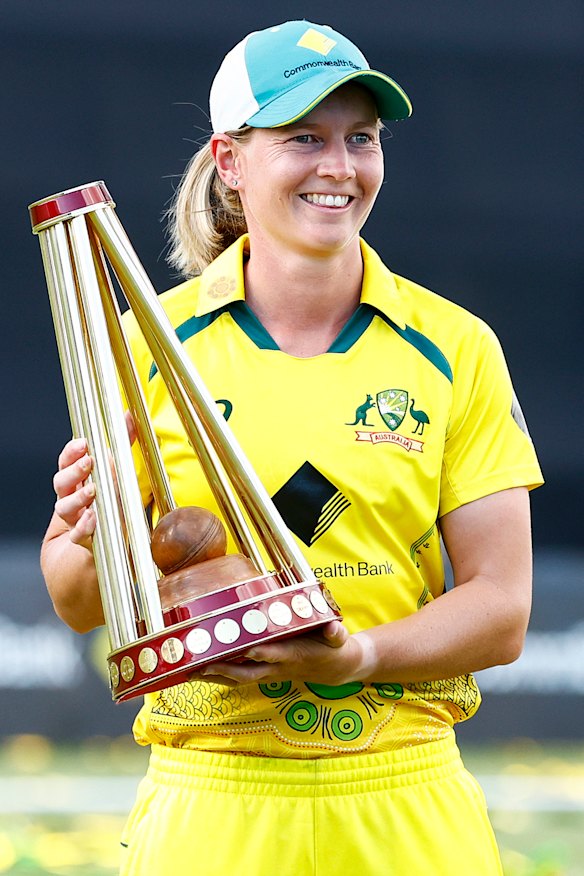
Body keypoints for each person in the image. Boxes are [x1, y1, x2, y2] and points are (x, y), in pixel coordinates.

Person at [41, 19, 544, 876]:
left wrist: (363, 655)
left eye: (362, 138)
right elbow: (84, 604)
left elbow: (502, 610)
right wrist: (87, 530)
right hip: (211, 794)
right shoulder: (149, 344)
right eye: (303, 138)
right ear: (230, 162)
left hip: (403, 791)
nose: (339, 167)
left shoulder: (455, 347)